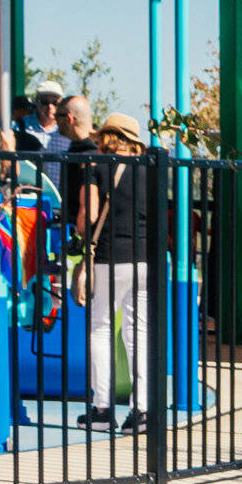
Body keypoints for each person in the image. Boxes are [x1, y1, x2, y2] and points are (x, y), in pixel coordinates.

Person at [77, 112, 150, 434]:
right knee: (139, 334)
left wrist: (79, 231)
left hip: (109, 256)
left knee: (101, 328)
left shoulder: (96, 165)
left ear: (106, 137)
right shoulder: (151, 167)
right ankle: (142, 411)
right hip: (146, 259)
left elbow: (88, 215)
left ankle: (102, 407)